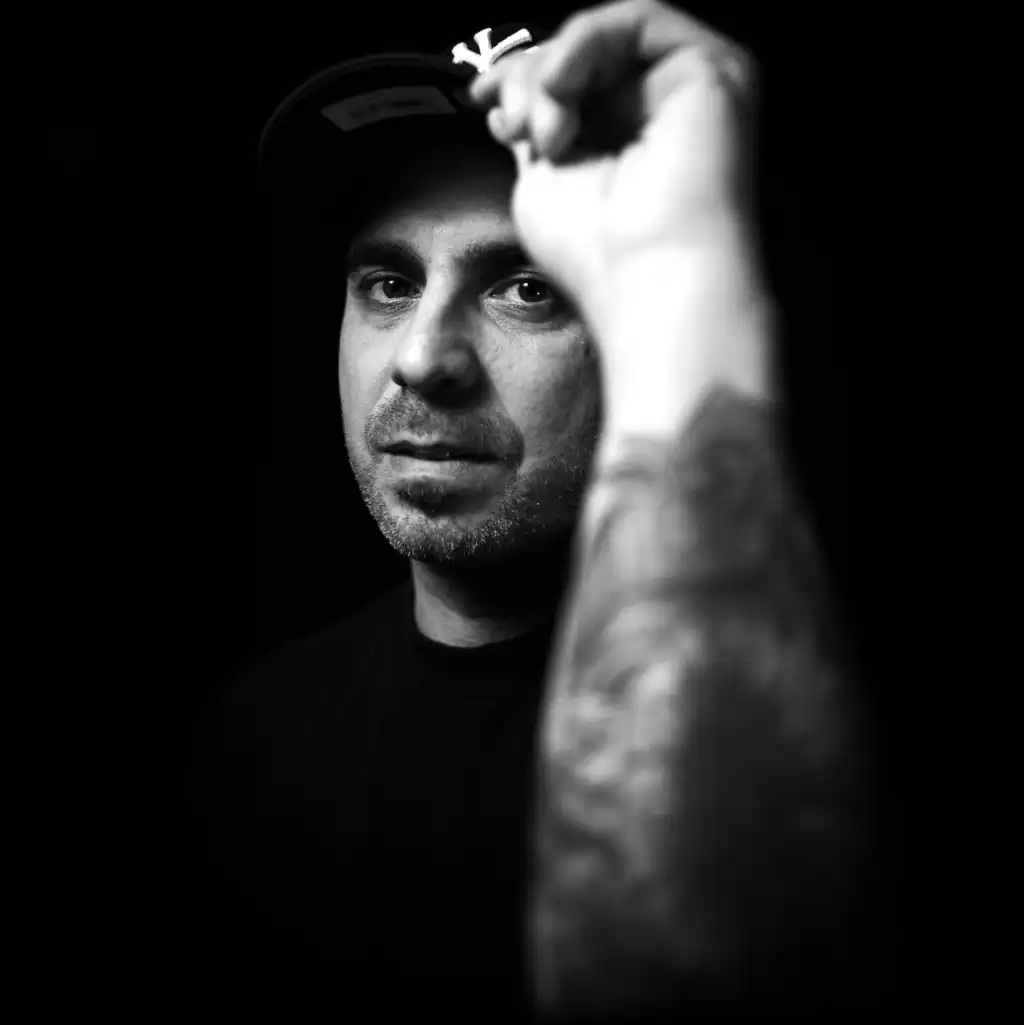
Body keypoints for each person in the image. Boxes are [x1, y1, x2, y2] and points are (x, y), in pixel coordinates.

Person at [161, 3, 884, 1021]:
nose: (422, 357)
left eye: (527, 289)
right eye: (388, 282)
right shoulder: (254, 741)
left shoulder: (817, 735)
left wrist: (679, 274)